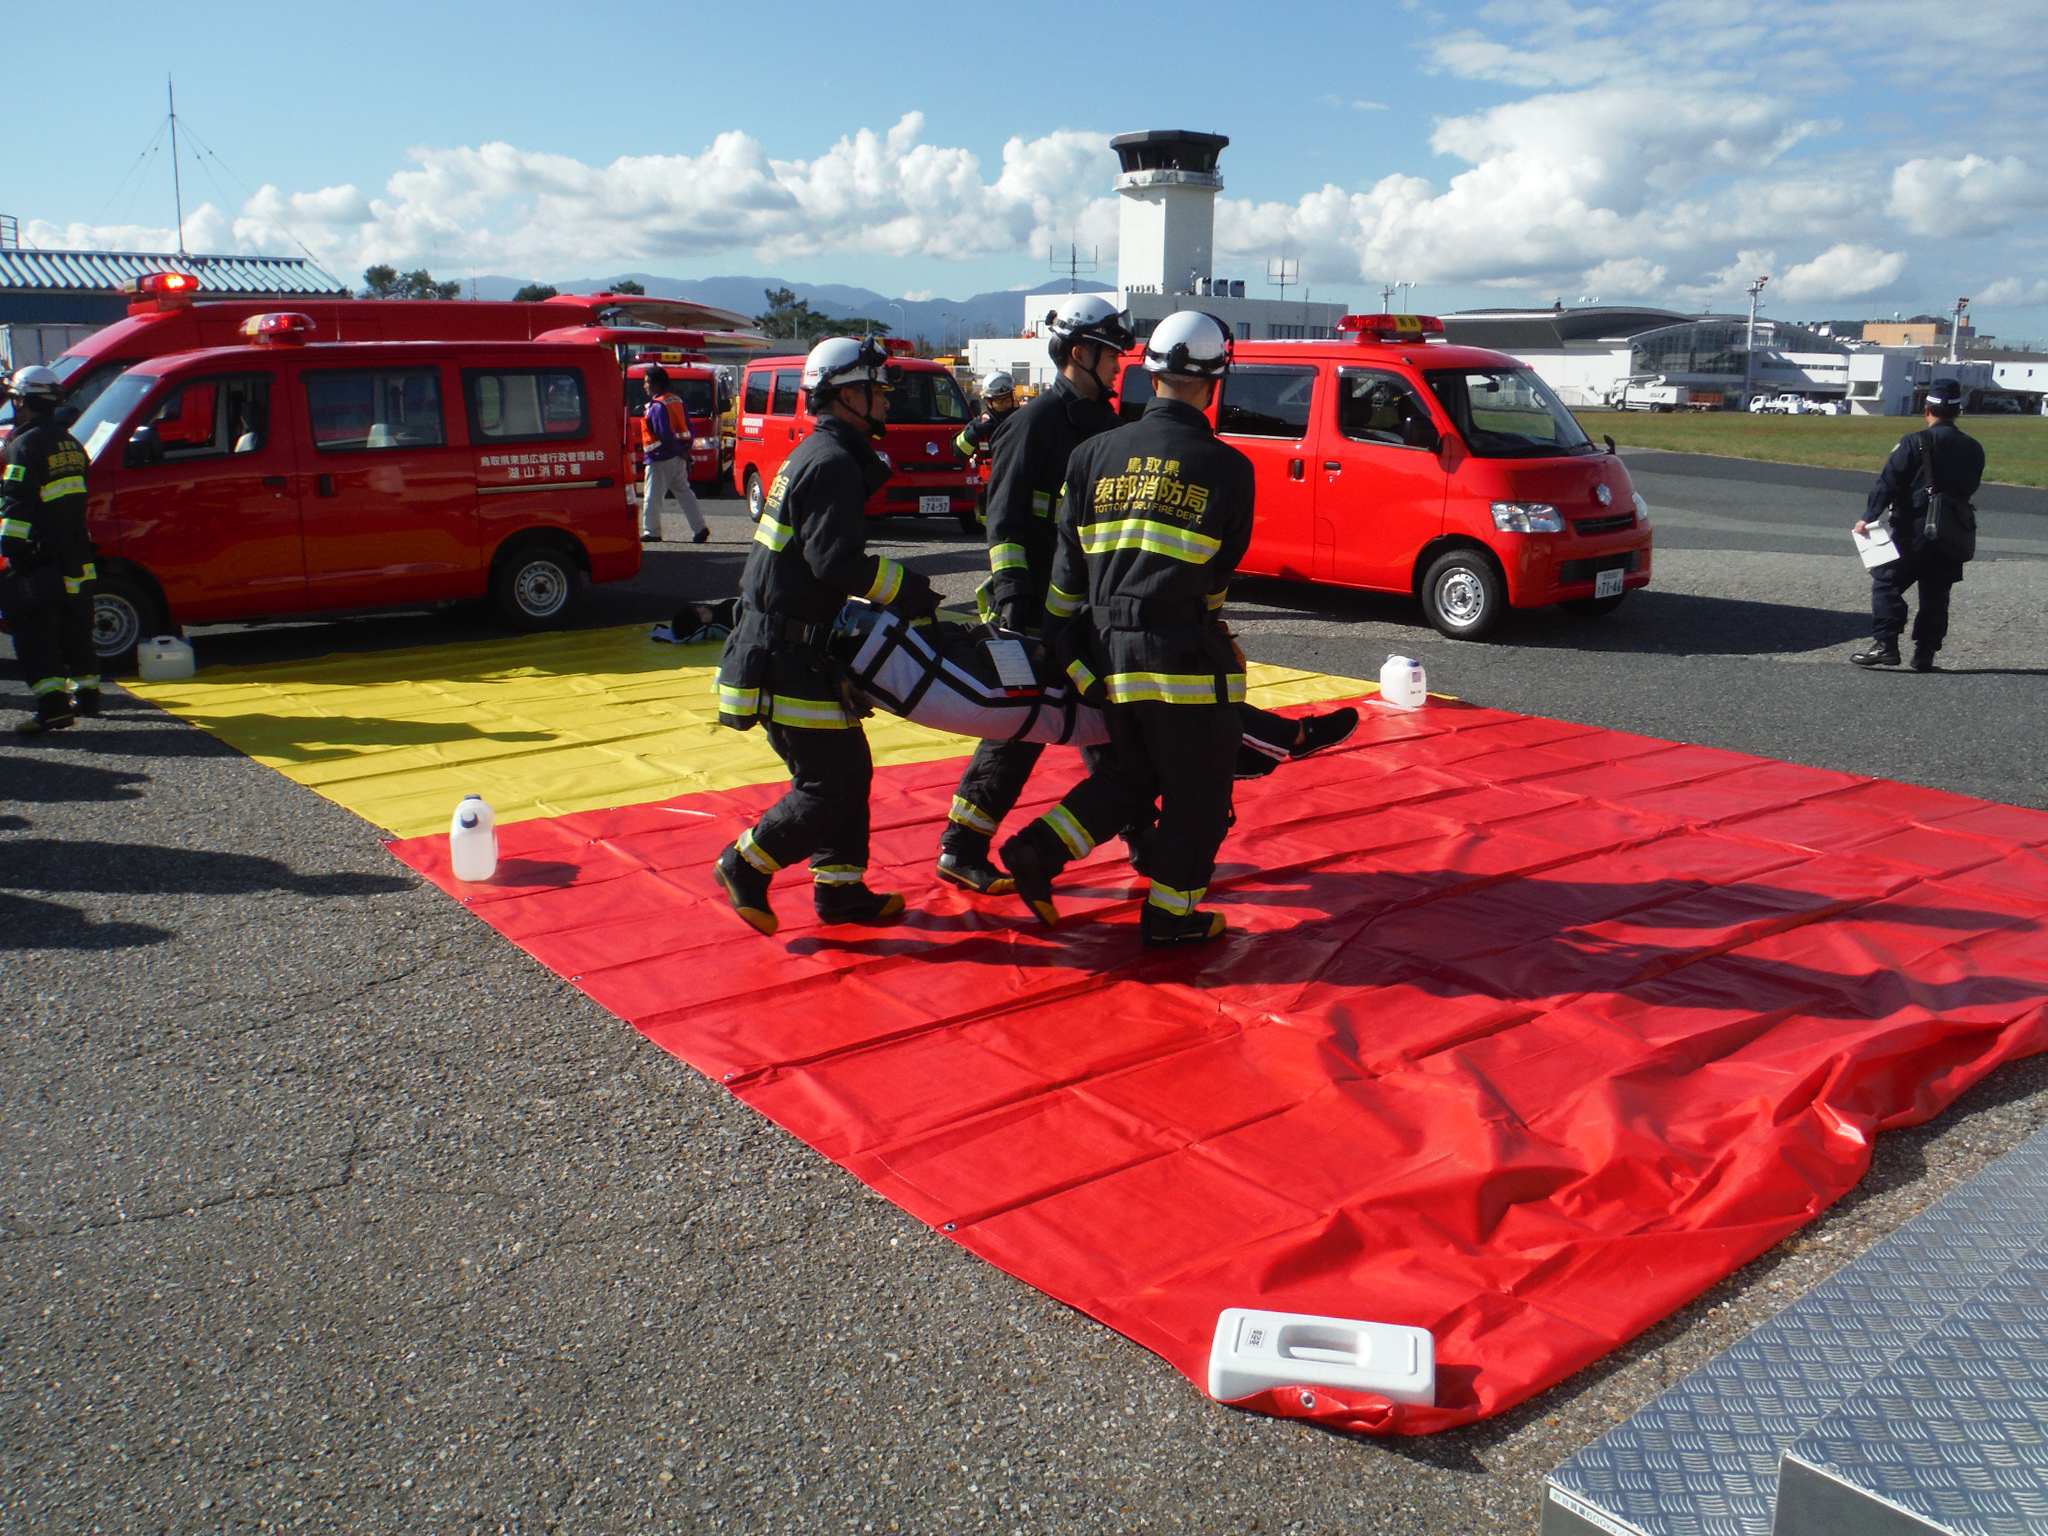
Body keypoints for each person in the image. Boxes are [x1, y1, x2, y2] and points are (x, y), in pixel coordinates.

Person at [933, 297, 1357, 896]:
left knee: (1112, 728)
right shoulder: (1032, 426)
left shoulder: (1102, 431)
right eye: (1110, 354)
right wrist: (1018, 611)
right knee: (1027, 728)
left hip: (1088, 610)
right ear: (1080, 354)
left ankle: (1141, 839)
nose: (1118, 366)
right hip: (1037, 607)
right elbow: (1003, 528)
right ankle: (963, 844)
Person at [999, 311, 1254, 950]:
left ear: (1151, 372)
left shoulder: (1090, 455)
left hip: (1109, 657)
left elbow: (1064, 581)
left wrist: (1064, 643)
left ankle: (1036, 851)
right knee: (1200, 792)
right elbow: (1217, 578)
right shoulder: (1228, 468)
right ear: (1213, 379)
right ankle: (1171, 915)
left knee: (1133, 777)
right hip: (1181, 656)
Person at [712, 336, 941, 935]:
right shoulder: (834, 462)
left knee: (845, 770)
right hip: (789, 655)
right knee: (831, 784)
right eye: (877, 391)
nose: (887, 402)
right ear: (848, 396)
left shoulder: (814, 452)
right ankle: (746, 863)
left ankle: (840, 890)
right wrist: (908, 590)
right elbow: (835, 562)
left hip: (789, 647)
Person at [1851, 378, 1984, 671]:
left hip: (1913, 527)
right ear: (1958, 412)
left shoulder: (1915, 441)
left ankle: (1886, 644)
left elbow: (1888, 482)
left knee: (1886, 582)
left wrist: (1869, 516)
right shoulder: (1974, 448)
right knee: (1936, 592)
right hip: (1952, 530)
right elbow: (1969, 487)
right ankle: (1925, 653)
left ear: (1927, 409)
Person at [1, 366, 98, 736]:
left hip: (41, 555)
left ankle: (53, 707)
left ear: (22, 401)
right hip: (76, 551)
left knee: (33, 629)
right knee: (77, 626)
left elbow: (17, 501)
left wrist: (12, 548)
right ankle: (89, 697)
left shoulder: (24, 446)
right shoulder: (70, 443)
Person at [639, 366, 710, 545]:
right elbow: (689, 427)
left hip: (660, 458)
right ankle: (700, 528)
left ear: (655, 384)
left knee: (652, 496)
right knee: (685, 492)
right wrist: (684, 449)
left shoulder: (657, 406)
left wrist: (678, 450)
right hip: (678, 457)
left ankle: (652, 531)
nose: (644, 386)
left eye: (646, 382)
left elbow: (664, 433)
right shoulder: (676, 400)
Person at [952, 368, 1018, 462]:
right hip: (988, 476)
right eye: (1000, 400)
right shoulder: (980, 426)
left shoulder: (1021, 421)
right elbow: (959, 453)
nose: (1005, 404)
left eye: (1007, 399)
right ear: (988, 402)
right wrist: (973, 433)